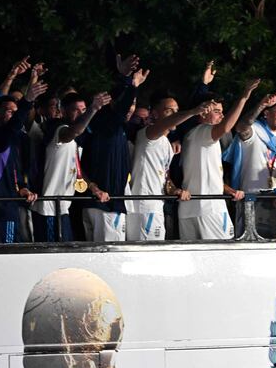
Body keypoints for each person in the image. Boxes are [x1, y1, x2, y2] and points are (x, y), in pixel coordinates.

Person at [177, 79, 261, 240]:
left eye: (222, 111)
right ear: (202, 112)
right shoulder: (204, 132)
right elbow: (226, 127)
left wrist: (230, 190)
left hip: (188, 210)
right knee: (224, 257)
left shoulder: (191, 135)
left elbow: (206, 176)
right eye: (217, 111)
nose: (222, 115)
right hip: (210, 209)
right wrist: (244, 97)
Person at [80, 55, 147, 241]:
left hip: (100, 202)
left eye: (133, 104)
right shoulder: (107, 124)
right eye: (129, 104)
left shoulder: (115, 127)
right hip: (105, 205)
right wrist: (129, 82)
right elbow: (120, 107)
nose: (131, 109)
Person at [127, 93, 211, 240]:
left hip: (156, 207)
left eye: (176, 110)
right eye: (169, 110)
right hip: (143, 207)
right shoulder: (147, 134)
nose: (175, 114)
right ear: (154, 114)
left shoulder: (166, 143)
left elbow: (165, 179)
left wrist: (175, 189)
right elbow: (166, 124)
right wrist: (193, 112)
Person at [30, 91, 111, 242]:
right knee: (51, 257)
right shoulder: (58, 129)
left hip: (62, 208)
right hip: (48, 208)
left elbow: (76, 169)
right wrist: (93, 109)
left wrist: (93, 187)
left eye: (84, 110)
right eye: (76, 110)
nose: (81, 114)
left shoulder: (75, 140)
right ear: (63, 112)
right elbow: (75, 131)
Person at [0, 81, 47, 243]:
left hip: (9, 205)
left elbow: (12, 173)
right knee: (5, 256)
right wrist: (28, 100)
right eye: (10, 111)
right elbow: (12, 127)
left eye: (16, 112)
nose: (15, 116)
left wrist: (22, 189)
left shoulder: (12, 141)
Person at [228, 92, 276, 193]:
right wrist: (261, 105)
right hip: (251, 196)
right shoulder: (255, 129)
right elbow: (241, 127)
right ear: (266, 113)